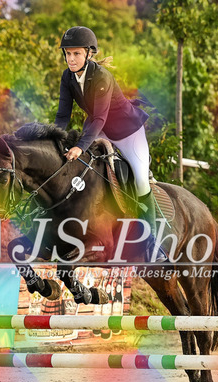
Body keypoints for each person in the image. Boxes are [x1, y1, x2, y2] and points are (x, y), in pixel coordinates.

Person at [54, 26, 166, 263]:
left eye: (76, 54)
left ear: (89, 54)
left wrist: (80, 146)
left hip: (128, 132)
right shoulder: (67, 77)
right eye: (68, 54)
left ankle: (154, 244)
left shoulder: (102, 77)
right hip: (100, 130)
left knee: (141, 182)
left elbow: (99, 118)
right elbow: (63, 115)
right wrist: (54, 138)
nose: (71, 59)